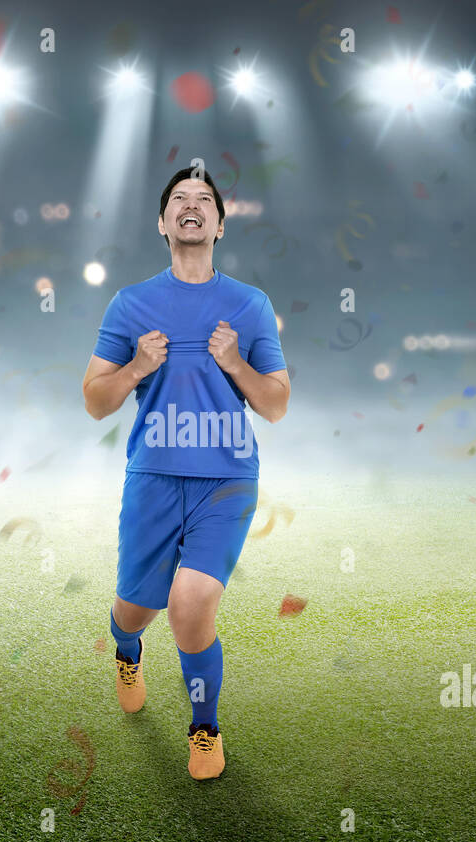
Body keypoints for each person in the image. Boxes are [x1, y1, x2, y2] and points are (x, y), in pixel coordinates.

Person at [81, 166, 290, 779]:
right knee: (136, 609)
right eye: (179, 199)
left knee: (191, 604)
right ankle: (126, 650)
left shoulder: (250, 305)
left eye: (204, 200)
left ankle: (204, 728)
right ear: (163, 221)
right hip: (153, 477)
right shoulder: (131, 303)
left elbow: (274, 404)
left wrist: (236, 365)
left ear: (220, 225)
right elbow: (95, 401)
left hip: (226, 480)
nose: (191, 206)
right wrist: (136, 367)